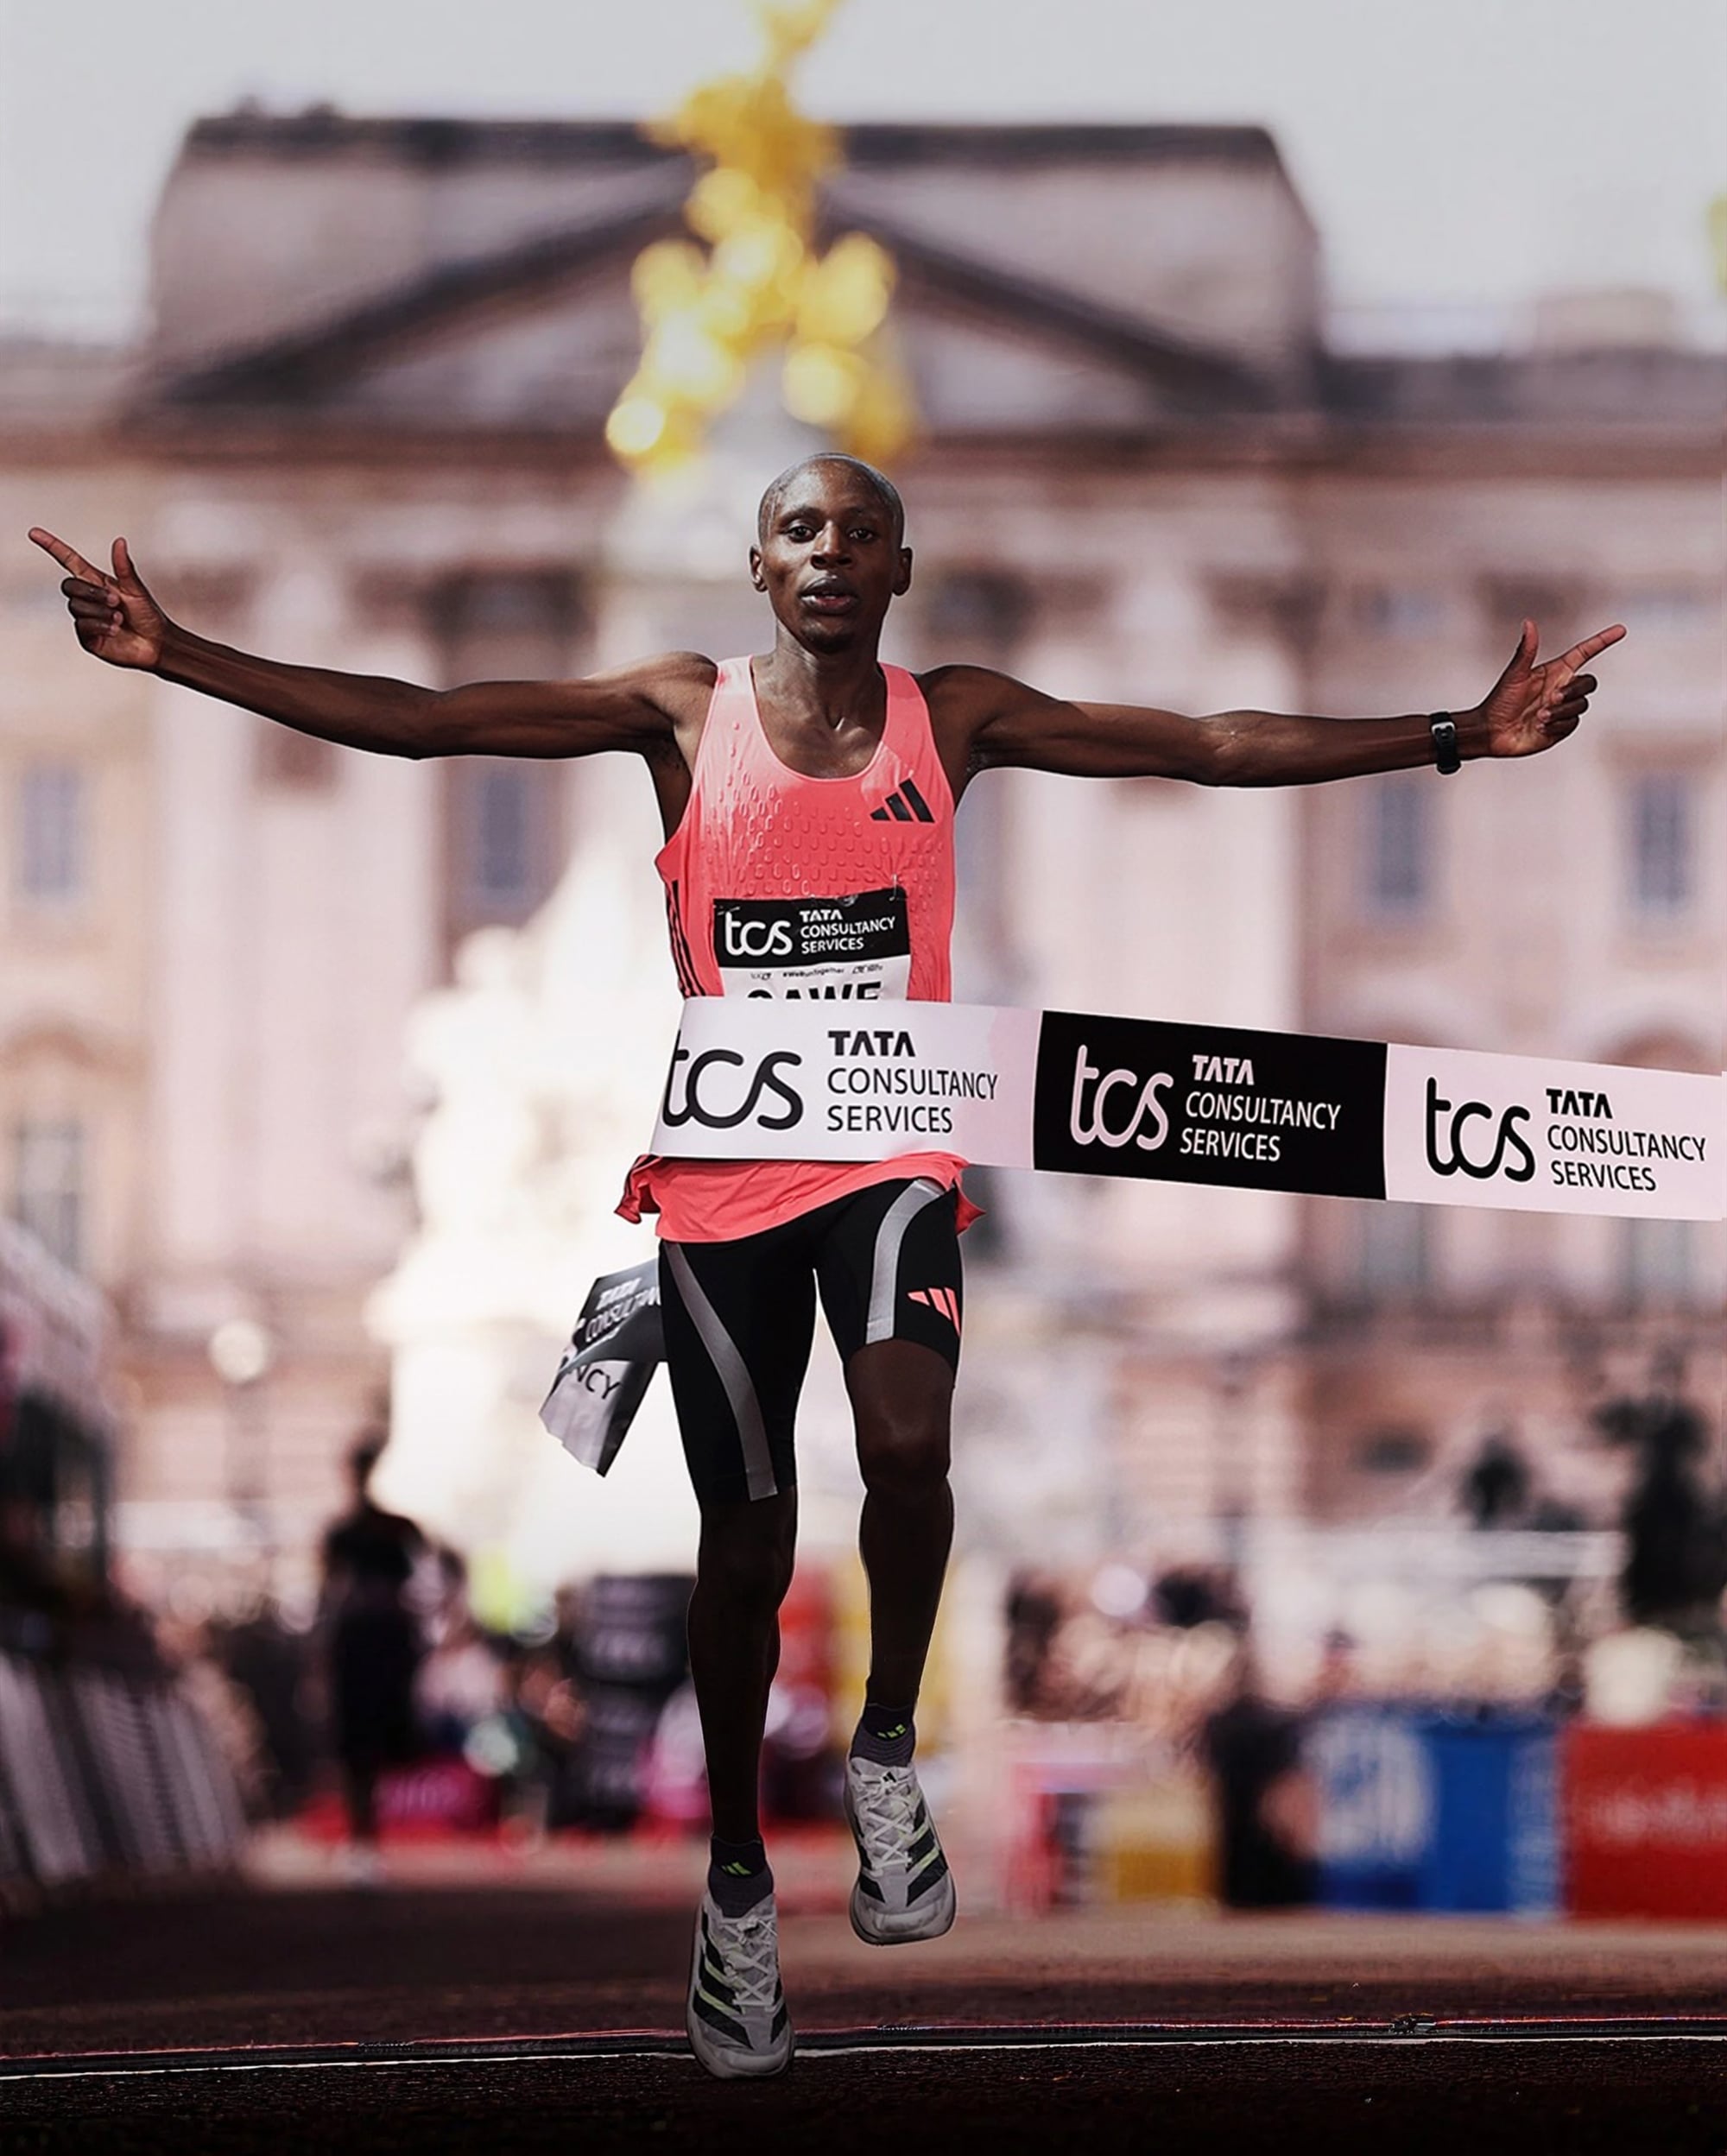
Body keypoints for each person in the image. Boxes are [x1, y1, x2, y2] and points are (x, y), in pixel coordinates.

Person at [30, 465, 1620, 2074]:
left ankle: (885, 1748)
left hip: (890, 1157)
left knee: (910, 1441)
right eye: (802, 532)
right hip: (724, 1183)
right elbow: (427, 721)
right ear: (758, 564)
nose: (831, 555)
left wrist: (1453, 735)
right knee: (746, 1540)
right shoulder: (680, 712)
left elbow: (1203, 742)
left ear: (902, 568)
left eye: (861, 534)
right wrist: (182, 654)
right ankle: (736, 1885)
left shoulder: (956, 716)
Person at [318, 1432, 426, 1885]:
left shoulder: (386, 1530)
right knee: (359, 1748)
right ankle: (364, 1838)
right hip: (366, 1645)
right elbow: (329, 1595)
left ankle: (366, 1839)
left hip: (377, 1645)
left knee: (368, 1747)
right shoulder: (353, 1532)